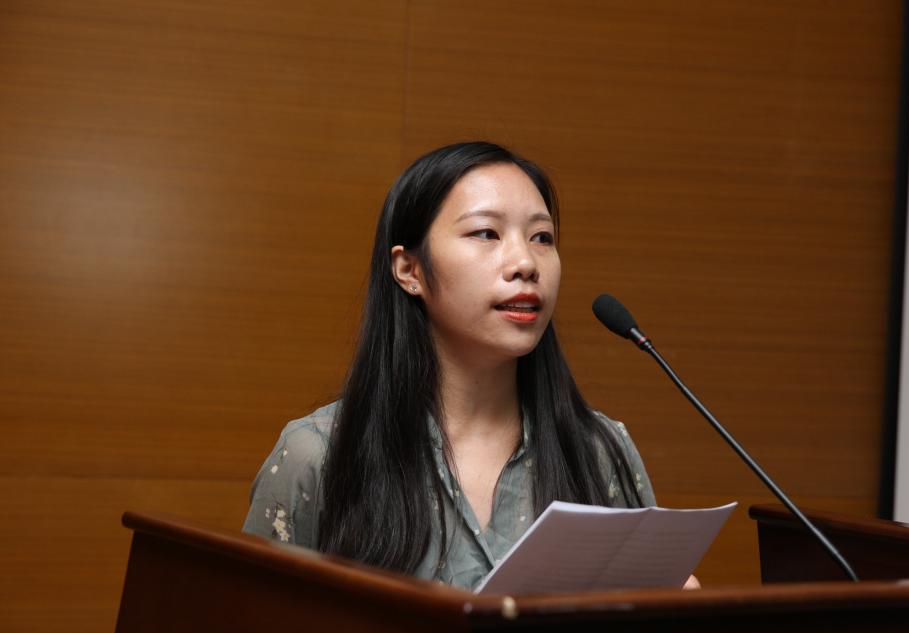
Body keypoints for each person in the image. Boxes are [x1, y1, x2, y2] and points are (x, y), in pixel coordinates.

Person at [243, 141, 667, 591]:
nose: (526, 263)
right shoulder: (320, 454)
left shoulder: (599, 450)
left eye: (542, 237)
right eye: (486, 233)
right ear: (410, 270)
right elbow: (255, 628)